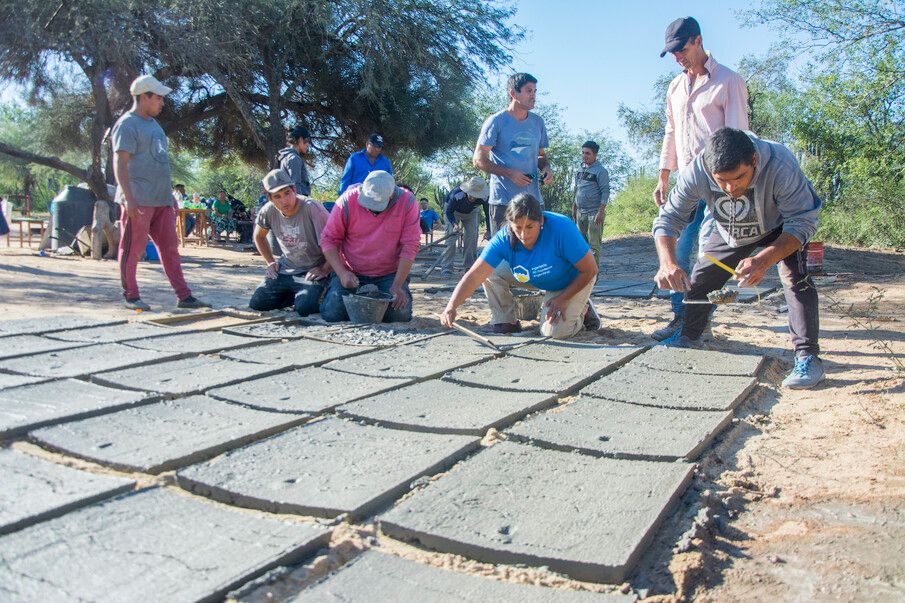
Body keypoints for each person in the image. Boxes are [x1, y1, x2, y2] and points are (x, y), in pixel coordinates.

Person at [653, 127, 824, 389]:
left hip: (782, 227)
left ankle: (807, 357)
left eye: (739, 177)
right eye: (721, 180)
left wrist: (764, 260)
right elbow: (669, 218)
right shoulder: (697, 171)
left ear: (754, 160)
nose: (730, 187)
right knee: (702, 279)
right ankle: (689, 336)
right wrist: (668, 262)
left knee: (794, 279)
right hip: (732, 229)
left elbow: (803, 220)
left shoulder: (780, 164)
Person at [651, 16, 750, 342]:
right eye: (672, 53)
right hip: (686, 183)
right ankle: (680, 316)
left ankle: (699, 321)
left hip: (721, 183)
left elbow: (740, 136)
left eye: (681, 49)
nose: (677, 57)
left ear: (697, 40)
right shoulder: (675, 87)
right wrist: (664, 174)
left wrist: (739, 188)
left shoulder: (728, 81)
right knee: (678, 252)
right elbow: (671, 131)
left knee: (708, 256)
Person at [111, 75, 210, 311]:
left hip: (161, 201)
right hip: (139, 200)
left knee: (170, 250)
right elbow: (120, 164)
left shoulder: (155, 125)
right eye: (158, 98)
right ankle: (131, 295)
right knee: (132, 250)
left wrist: (169, 197)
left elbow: (160, 162)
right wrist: (129, 199)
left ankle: (184, 296)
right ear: (144, 97)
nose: (162, 103)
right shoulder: (127, 125)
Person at [441, 193, 600, 338]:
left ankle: (583, 309)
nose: (524, 235)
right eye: (517, 228)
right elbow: (475, 275)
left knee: (555, 333)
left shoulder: (562, 229)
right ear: (509, 224)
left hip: (572, 281)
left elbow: (591, 270)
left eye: (530, 226)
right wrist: (451, 306)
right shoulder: (503, 239)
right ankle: (505, 320)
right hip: (535, 276)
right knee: (490, 270)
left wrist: (564, 298)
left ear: (541, 220)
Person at [320, 170, 420, 322]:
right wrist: (341, 273)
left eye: (377, 206)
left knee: (400, 314)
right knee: (333, 313)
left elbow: (410, 245)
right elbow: (329, 239)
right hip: (351, 272)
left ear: (391, 195)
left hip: (388, 274)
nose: (371, 210)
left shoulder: (408, 202)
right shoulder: (347, 200)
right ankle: (327, 292)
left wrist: (397, 285)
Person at [473, 73, 551, 235]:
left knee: (534, 255)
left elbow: (540, 155)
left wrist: (546, 168)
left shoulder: (538, 122)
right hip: (504, 202)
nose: (533, 96)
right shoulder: (496, 121)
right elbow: (478, 160)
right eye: (529, 91)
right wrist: (510, 174)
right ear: (513, 93)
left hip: (534, 201)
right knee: (504, 257)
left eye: (535, 91)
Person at [249, 169, 331, 315]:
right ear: (270, 198)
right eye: (277, 196)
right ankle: (294, 296)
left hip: (313, 270)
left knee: (305, 308)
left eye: (287, 193)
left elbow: (336, 242)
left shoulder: (312, 208)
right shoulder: (268, 210)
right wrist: (270, 262)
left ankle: (319, 291)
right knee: (258, 303)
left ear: (294, 189)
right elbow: (259, 236)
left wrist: (324, 269)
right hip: (286, 268)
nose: (284, 200)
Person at [440, 176, 490, 276]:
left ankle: (469, 267)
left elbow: (488, 213)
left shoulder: (485, 197)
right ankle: (447, 268)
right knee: (451, 238)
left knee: (472, 238)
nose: (473, 197)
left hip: (471, 213)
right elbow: (449, 211)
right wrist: (454, 224)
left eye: (476, 195)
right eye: (471, 194)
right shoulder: (457, 194)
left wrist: (488, 230)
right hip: (453, 212)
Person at [571, 141, 610, 268]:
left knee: (594, 246)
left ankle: (593, 274)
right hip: (580, 212)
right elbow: (577, 189)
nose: (584, 156)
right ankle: (583, 272)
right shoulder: (579, 169)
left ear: (595, 154)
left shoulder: (601, 171)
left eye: (587, 153)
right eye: (583, 153)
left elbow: (605, 191)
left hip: (594, 213)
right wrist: (574, 207)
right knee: (581, 244)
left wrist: (601, 211)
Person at [275, 125, 312, 196]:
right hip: (298, 200)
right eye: (307, 140)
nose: (308, 144)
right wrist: (299, 204)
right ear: (300, 140)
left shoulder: (285, 157)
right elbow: (295, 184)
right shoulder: (294, 158)